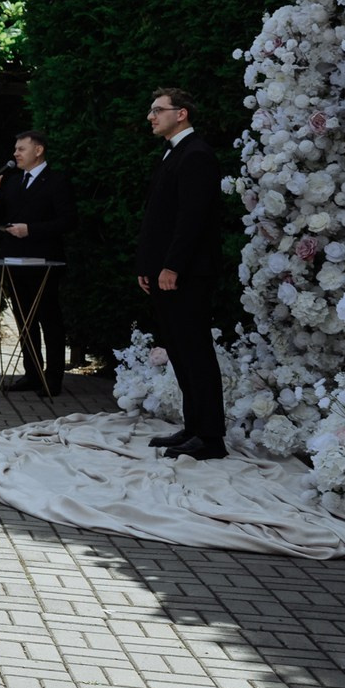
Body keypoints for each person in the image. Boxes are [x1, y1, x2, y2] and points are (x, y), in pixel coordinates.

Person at [138, 88, 225, 459]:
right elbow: (158, 219)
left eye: (158, 110)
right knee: (179, 350)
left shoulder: (197, 155)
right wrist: (147, 266)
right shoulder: (173, 154)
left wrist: (172, 266)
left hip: (186, 273)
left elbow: (192, 219)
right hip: (164, 273)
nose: (151, 116)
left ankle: (210, 438)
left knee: (195, 351)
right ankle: (194, 428)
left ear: (182, 114)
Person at [0, 130, 77, 395]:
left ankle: (53, 378)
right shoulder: (12, 182)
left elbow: (69, 221)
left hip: (45, 261)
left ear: (38, 151)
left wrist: (31, 230)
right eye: (15, 149)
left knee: (49, 317)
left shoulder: (57, 181)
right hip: (13, 259)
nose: (15, 154)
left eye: (21, 149)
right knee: (24, 319)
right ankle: (32, 374)